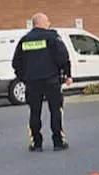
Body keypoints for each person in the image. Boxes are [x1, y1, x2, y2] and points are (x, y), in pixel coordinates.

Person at [12, 12, 72, 152]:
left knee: (34, 112)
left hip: (32, 82)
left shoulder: (24, 40)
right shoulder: (52, 37)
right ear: (40, 23)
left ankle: (36, 144)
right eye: (47, 21)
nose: (49, 23)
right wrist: (67, 74)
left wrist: (24, 77)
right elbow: (63, 57)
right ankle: (58, 142)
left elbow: (16, 63)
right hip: (51, 80)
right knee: (56, 110)